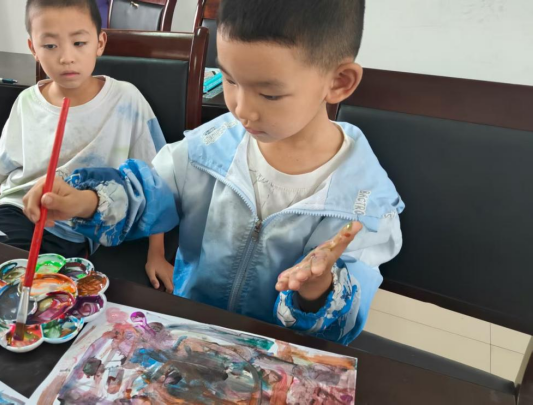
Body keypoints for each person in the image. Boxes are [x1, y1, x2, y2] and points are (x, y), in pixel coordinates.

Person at [22, 0, 404, 344]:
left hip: (278, 355)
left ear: (338, 82)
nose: (242, 110)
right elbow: (148, 194)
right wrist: (87, 202)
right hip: (192, 334)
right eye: (231, 80)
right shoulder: (210, 147)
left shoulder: (363, 205)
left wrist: (317, 290)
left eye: (269, 94)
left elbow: (343, 324)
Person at [0, 0, 166, 259]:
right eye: (50, 46)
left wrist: (157, 254)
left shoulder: (126, 100)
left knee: (46, 282)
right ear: (33, 48)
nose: (66, 58)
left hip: (76, 228)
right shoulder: (27, 101)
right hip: (14, 209)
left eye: (79, 43)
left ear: (100, 43)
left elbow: (155, 181)